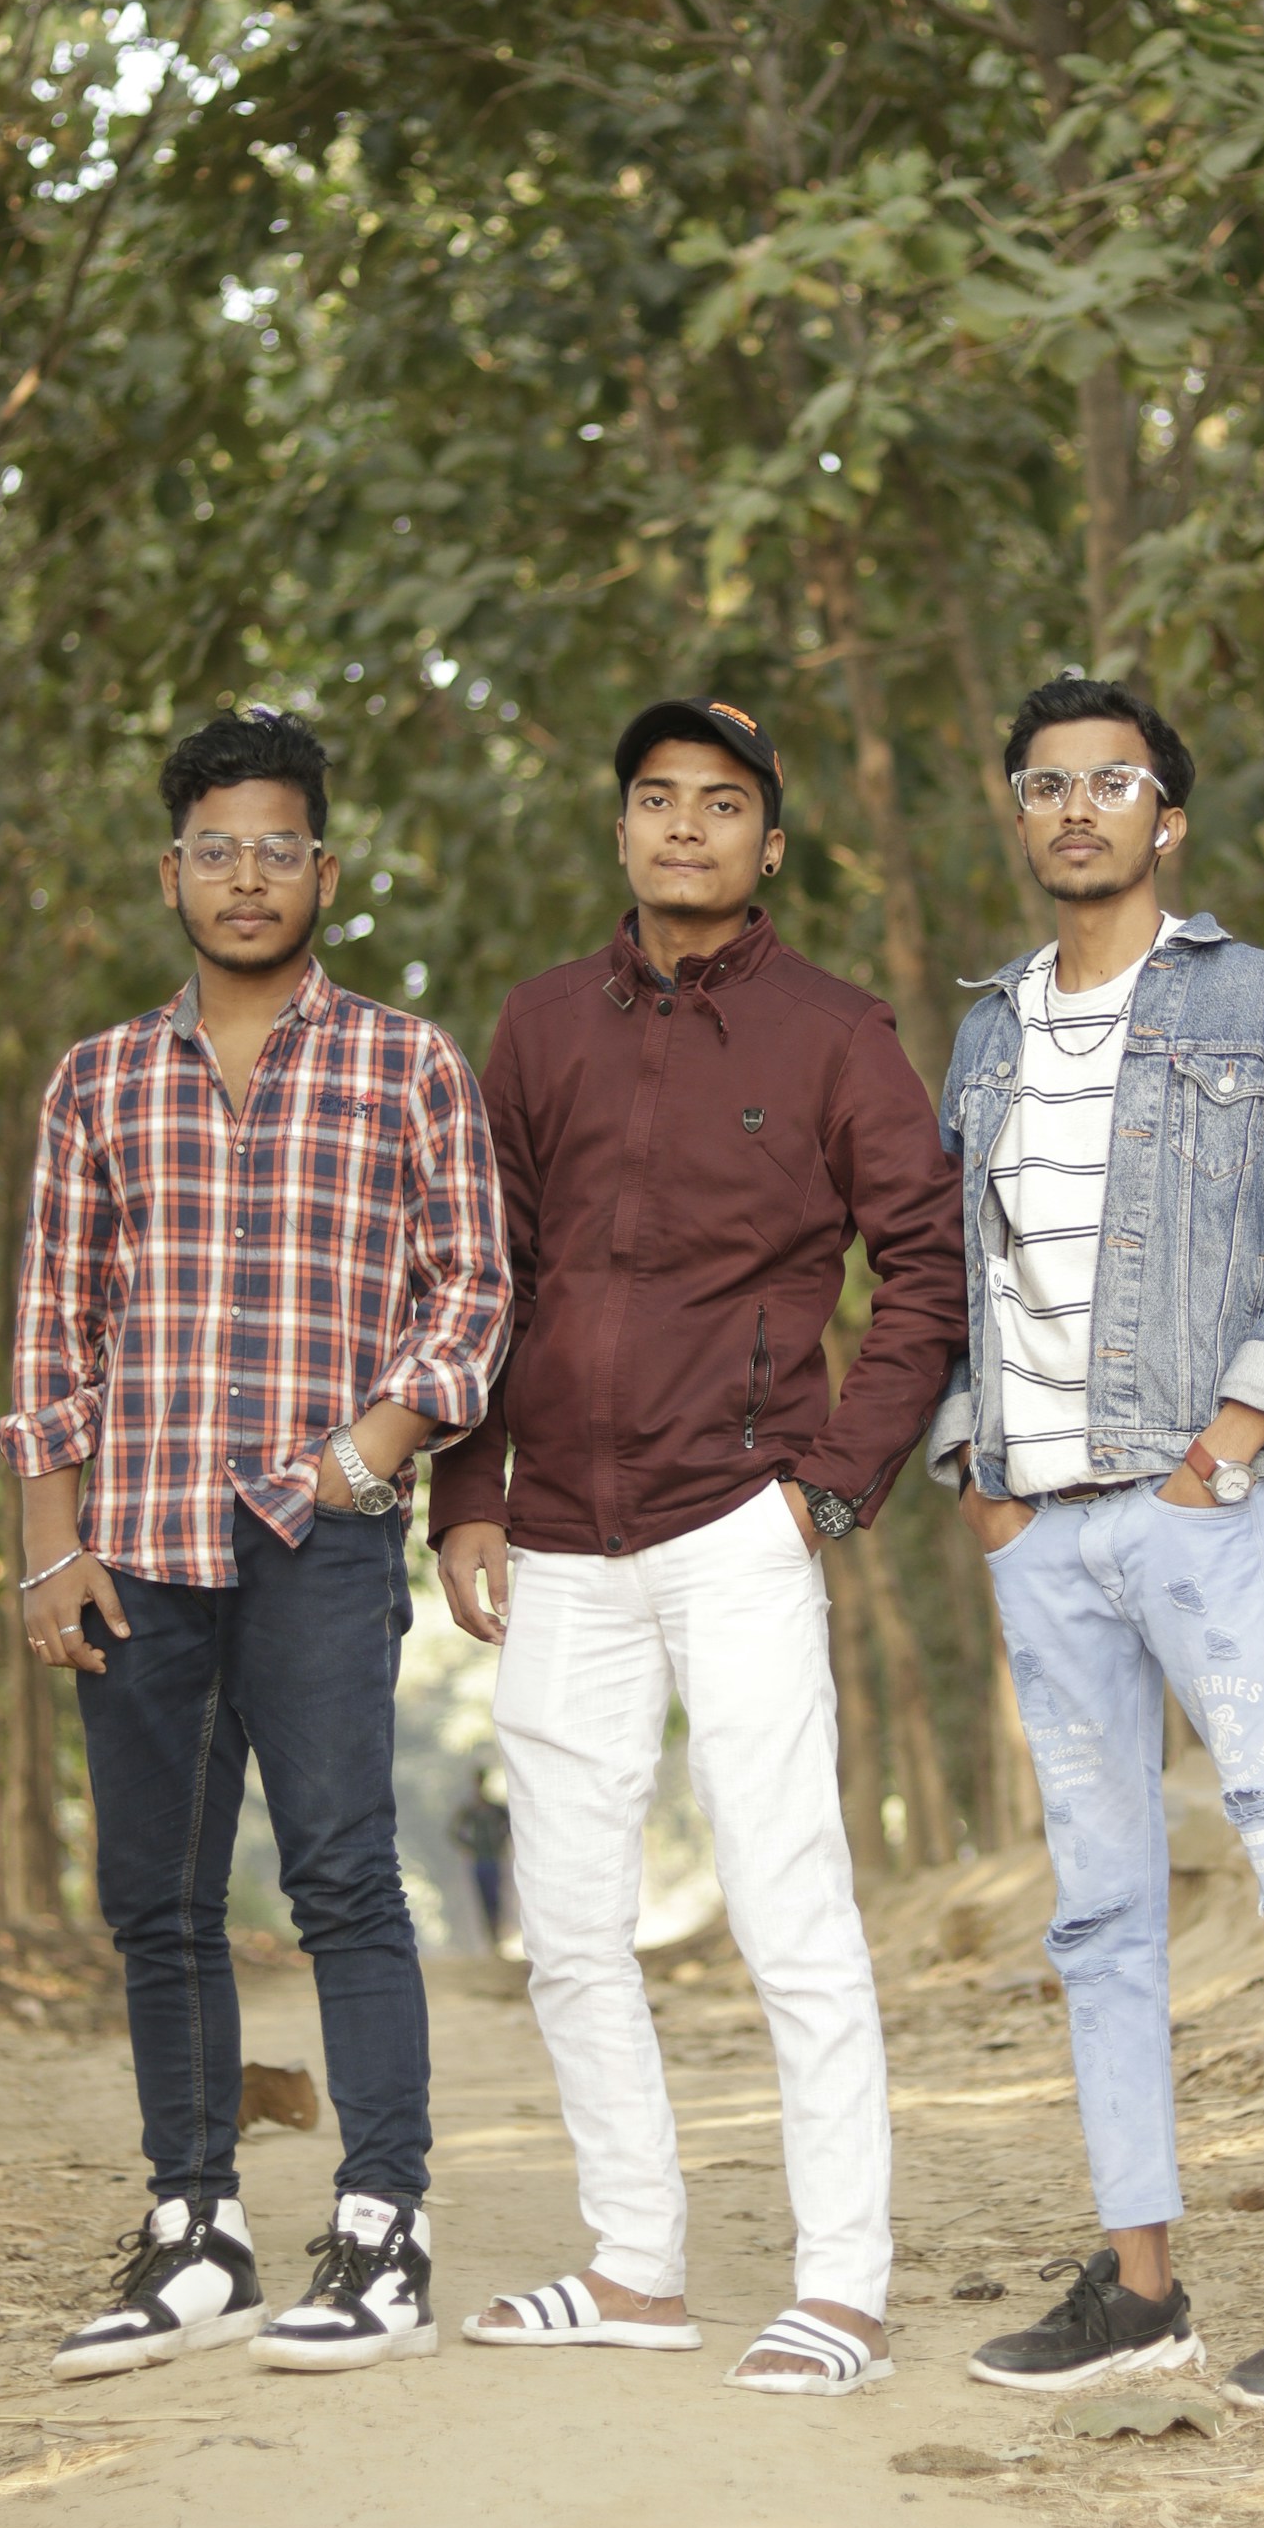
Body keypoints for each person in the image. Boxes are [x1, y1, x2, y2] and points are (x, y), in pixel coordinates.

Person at [932, 672, 1264, 2417]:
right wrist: (978, 1470)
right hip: (1044, 1532)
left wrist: (1230, 1441)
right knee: (1099, 1915)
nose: (1076, 808)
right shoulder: (989, 1033)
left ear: (1167, 817)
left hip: (1199, 1516)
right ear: (1021, 817)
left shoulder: (1260, 1004)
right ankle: (1140, 2288)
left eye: (1112, 781)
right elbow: (948, 1265)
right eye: (1046, 784)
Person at [433, 695, 967, 2395]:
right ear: (621, 830)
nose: (685, 826)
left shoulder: (836, 1034)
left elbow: (927, 1268)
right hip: (557, 1540)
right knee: (569, 1926)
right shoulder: (536, 1027)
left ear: (770, 845)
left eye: (721, 804)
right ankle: (636, 2266)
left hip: (738, 1519)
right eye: (657, 798)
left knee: (787, 1900)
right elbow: (487, 1272)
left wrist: (828, 1486)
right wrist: (467, 1491)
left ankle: (843, 2287)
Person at [0, 708, 512, 2381]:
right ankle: (195, 2229)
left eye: (277, 847)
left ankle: (383, 2227)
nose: (245, 876)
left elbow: (474, 1291)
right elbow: (54, 1327)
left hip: (319, 1544)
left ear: (324, 872)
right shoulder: (99, 1080)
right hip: (135, 1542)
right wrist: (48, 1547)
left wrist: (362, 1460)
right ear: (172, 873)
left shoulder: (406, 1062)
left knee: (345, 1878)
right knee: (155, 1901)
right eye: (215, 848)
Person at [449, 1764, 512, 1948]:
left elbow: (510, 1826)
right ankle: (491, 1938)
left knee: (495, 1897)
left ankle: (496, 1934)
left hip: (493, 1859)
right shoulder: (471, 1809)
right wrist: (470, 1847)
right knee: (484, 1898)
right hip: (480, 1860)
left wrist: (500, 1843)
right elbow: (454, 1831)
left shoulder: (494, 1808)